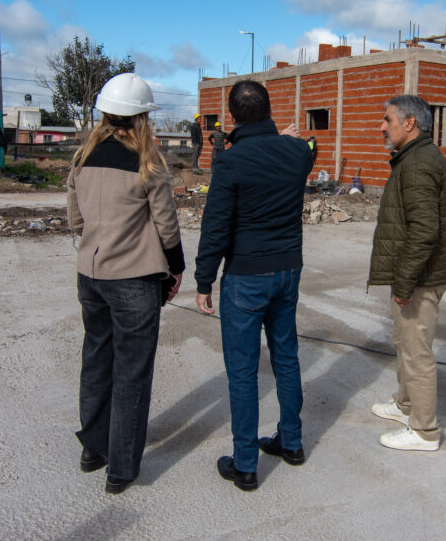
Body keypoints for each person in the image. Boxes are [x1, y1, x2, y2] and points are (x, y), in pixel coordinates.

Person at [66, 73, 184, 495]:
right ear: (141, 118)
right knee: (132, 373)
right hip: (134, 280)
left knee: (96, 362)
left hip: (91, 277)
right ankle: (121, 468)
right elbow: (167, 226)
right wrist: (176, 267)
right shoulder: (148, 162)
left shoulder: (83, 156)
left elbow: (76, 221)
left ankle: (92, 450)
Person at [194, 80, 314, 491]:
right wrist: (276, 138)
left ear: (232, 117)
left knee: (243, 372)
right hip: (287, 272)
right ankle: (292, 442)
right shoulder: (298, 152)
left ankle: (245, 463)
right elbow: (297, 152)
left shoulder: (230, 161)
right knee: (286, 357)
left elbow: (216, 225)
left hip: (245, 276)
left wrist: (203, 279)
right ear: (269, 110)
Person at [368, 94, 446, 452]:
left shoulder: (417, 164)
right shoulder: (415, 156)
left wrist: (404, 281)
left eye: (388, 120)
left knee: (416, 350)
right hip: (420, 271)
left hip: (422, 274)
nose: (382, 126)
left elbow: (425, 230)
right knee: (405, 340)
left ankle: (424, 431)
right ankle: (406, 405)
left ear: (409, 123)